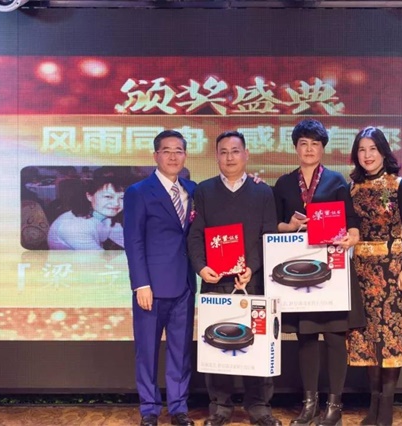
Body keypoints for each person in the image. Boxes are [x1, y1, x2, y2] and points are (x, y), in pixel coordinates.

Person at [273, 119, 365, 426]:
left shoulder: (336, 181)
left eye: (315, 144)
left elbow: (352, 223)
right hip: (298, 273)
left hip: (332, 271)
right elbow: (274, 225)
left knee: (336, 338)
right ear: (295, 148)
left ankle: (334, 406)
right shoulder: (284, 184)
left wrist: (351, 236)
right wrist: (291, 226)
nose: (309, 149)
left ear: (323, 148)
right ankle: (309, 404)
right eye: (303, 144)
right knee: (307, 338)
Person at [187, 131, 281, 426]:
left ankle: (259, 406)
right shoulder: (204, 190)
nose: (230, 157)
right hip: (215, 280)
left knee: (258, 342)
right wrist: (201, 267)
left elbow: (268, 235)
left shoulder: (263, 192)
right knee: (217, 341)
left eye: (235, 151)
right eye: (224, 152)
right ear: (216, 156)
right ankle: (220, 406)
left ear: (246, 154)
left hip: (253, 280)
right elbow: (195, 234)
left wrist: (252, 267)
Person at [346, 126, 402, 426]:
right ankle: (373, 407)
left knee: (391, 339)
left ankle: (386, 409)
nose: (367, 155)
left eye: (372, 149)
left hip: (392, 271)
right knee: (369, 339)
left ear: (383, 151)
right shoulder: (352, 188)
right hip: (362, 272)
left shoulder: (400, 185)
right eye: (362, 150)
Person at [123, 130, 197, 426]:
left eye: (178, 150)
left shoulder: (193, 189)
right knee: (147, 351)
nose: (173, 156)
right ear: (156, 155)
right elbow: (133, 241)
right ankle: (150, 410)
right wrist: (141, 284)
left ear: (185, 155)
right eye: (166, 151)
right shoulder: (139, 191)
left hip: (184, 285)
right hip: (150, 288)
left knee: (180, 352)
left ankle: (178, 408)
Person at [47, 168, 125, 250]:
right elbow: (99, 257)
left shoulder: (104, 214)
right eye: (108, 196)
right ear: (89, 196)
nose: (116, 203)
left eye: (122, 198)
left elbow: (125, 239)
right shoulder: (74, 227)